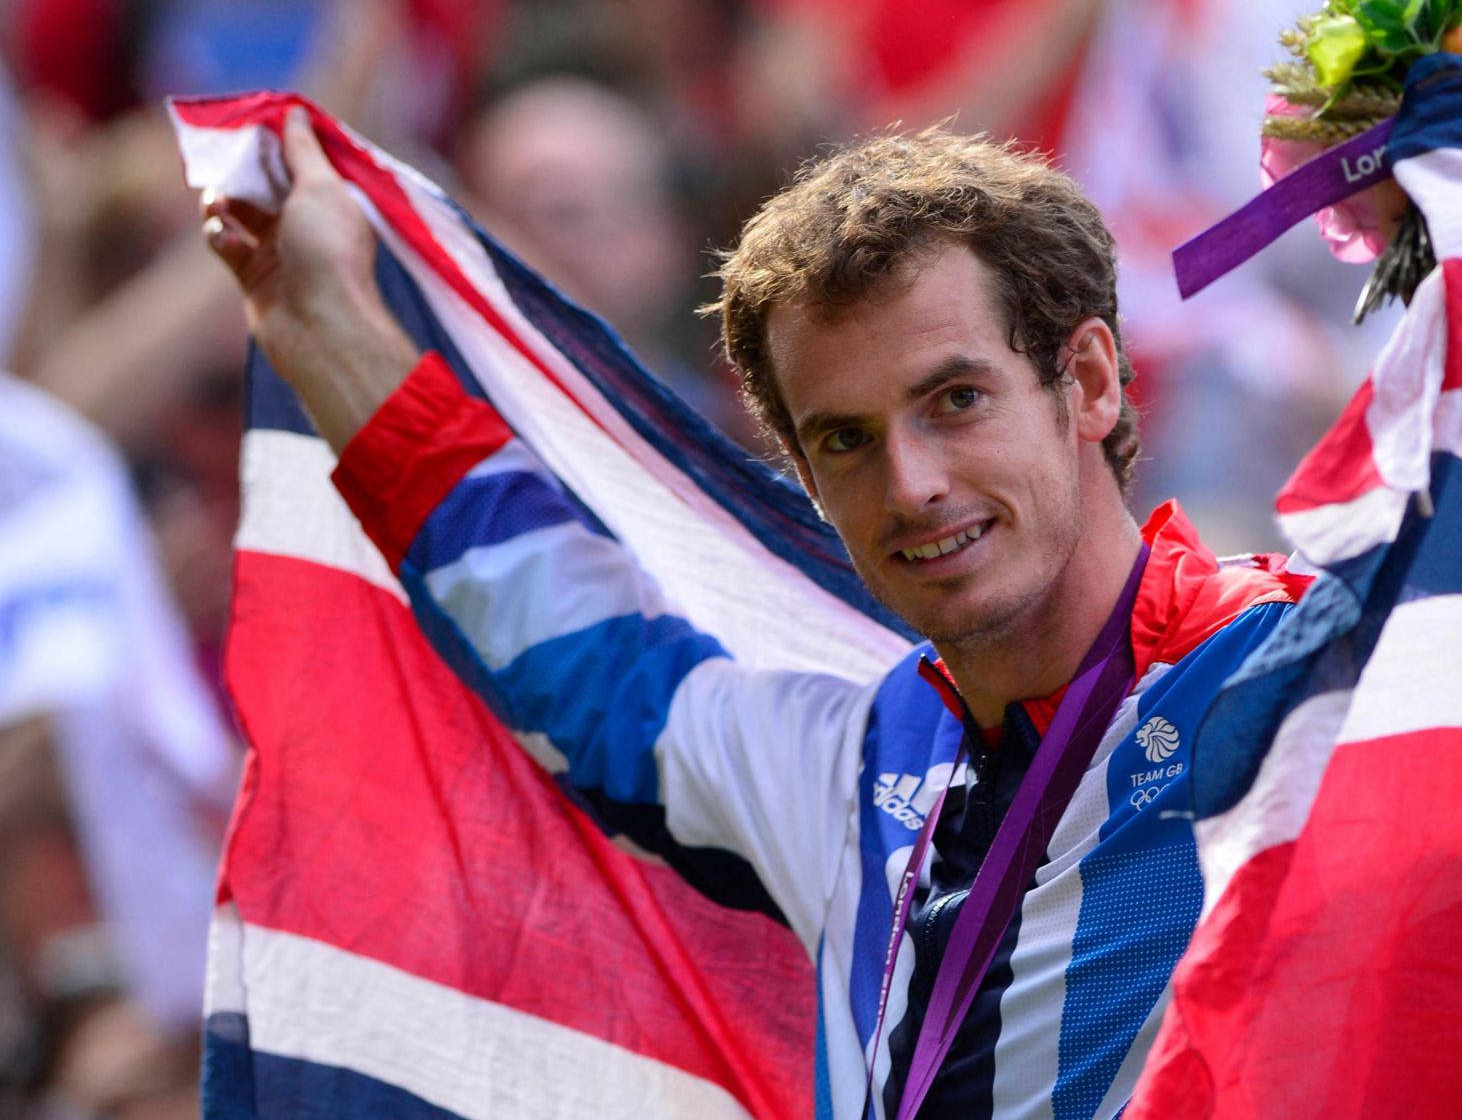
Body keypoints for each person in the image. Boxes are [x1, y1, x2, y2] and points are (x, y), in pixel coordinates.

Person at [201, 110, 1311, 1119]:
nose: (912, 481)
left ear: (1090, 382)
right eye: (845, 439)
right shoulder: (851, 764)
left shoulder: (1291, 675)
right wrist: (316, 321)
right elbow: (574, 657)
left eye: (955, 399)